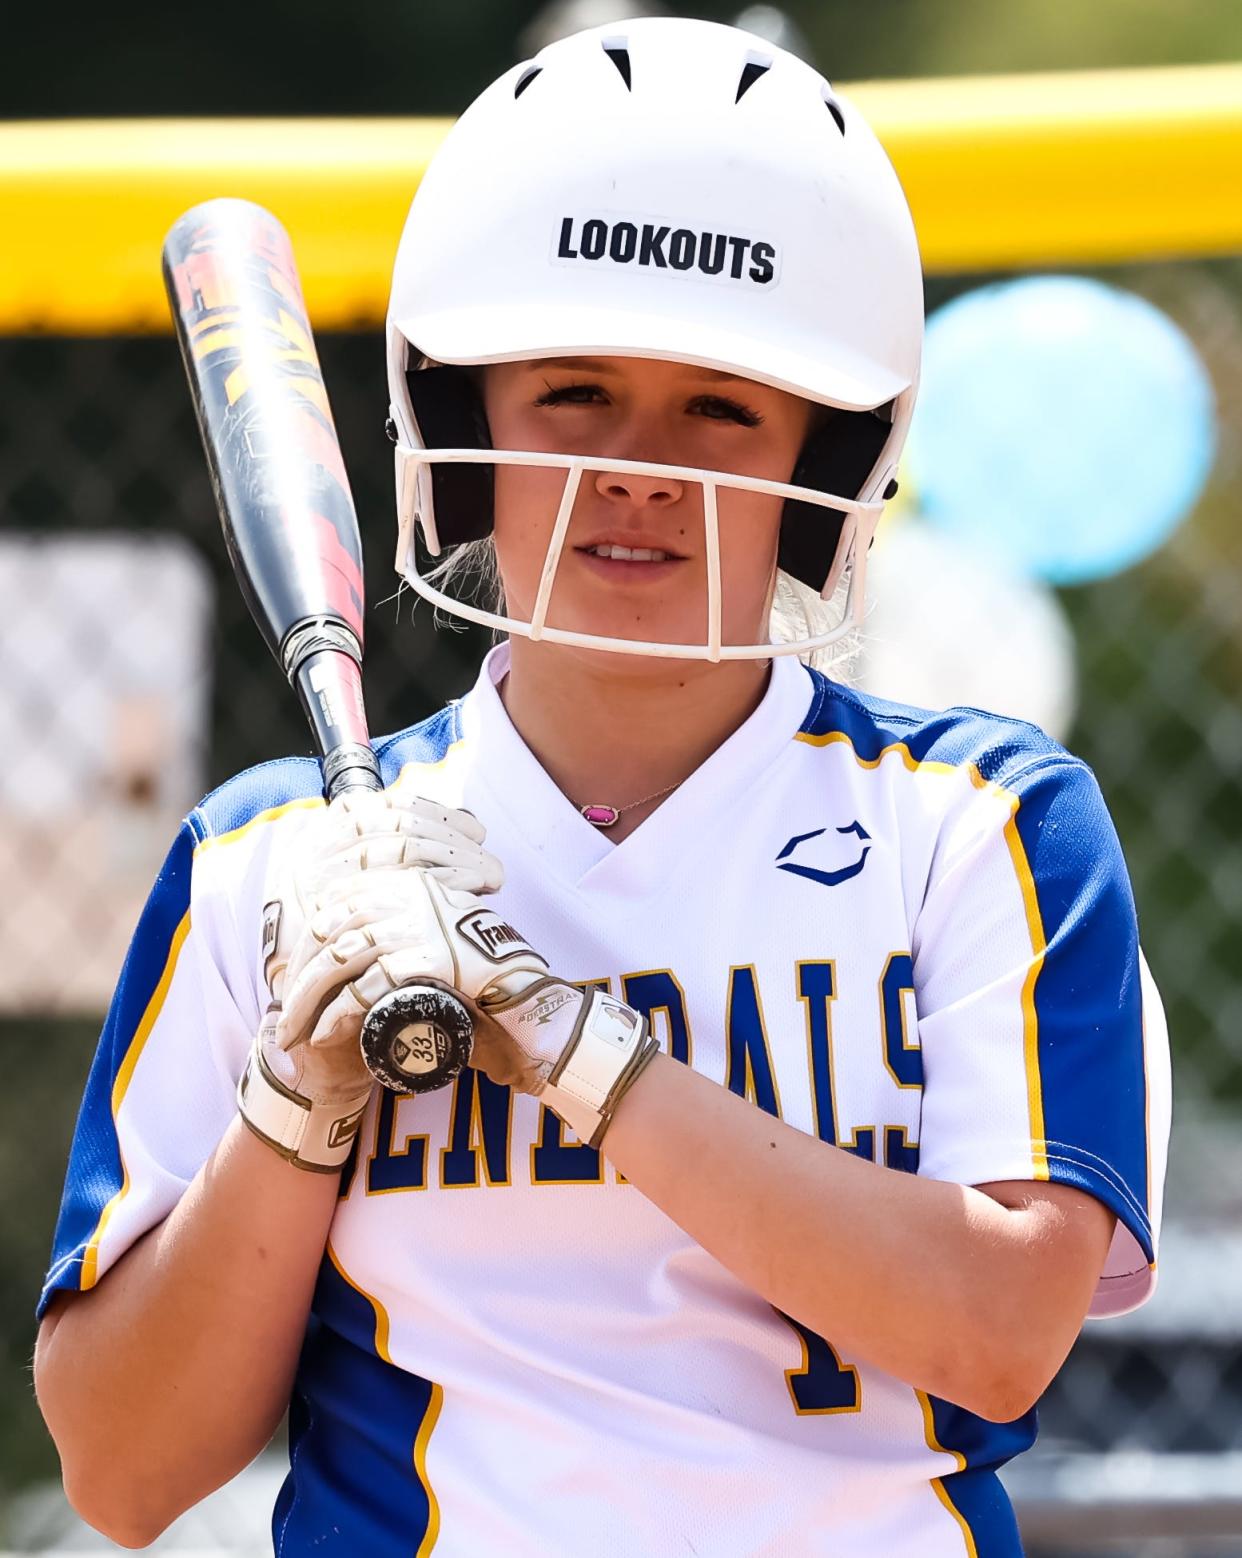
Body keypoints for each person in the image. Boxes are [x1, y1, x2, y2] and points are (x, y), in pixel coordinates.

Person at [35, 17, 1170, 1556]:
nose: (641, 465)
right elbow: (121, 1472)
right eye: (571, 391)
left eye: (720, 406)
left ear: (821, 466)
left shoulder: (979, 821)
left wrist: (565, 1039)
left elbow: (995, 1329)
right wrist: (298, 1101)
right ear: (463, 425)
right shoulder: (274, 856)